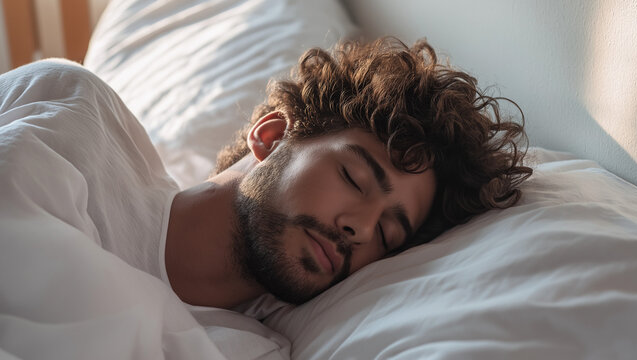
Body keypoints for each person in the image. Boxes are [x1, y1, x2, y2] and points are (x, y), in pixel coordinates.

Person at [0, 37, 531, 312]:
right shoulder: (72, 111)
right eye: (353, 177)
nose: (361, 230)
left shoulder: (248, 352)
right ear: (273, 135)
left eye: (389, 235)